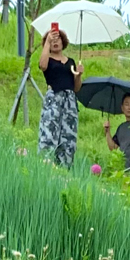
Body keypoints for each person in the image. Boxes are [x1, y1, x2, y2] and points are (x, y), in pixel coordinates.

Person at [37, 23, 81, 168]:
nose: (56, 42)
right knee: (49, 134)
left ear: (63, 41)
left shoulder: (71, 62)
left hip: (70, 102)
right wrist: (47, 42)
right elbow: (42, 66)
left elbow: (76, 87)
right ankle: (46, 166)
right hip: (54, 99)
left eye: (58, 39)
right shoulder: (47, 59)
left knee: (67, 138)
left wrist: (79, 75)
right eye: (52, 40)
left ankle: (64, 169)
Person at [105, 92, 130, 172]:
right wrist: (107, 132)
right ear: (122, 108)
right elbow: (113, 148)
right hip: (125, 167)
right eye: (126, 104)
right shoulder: (121, 128)